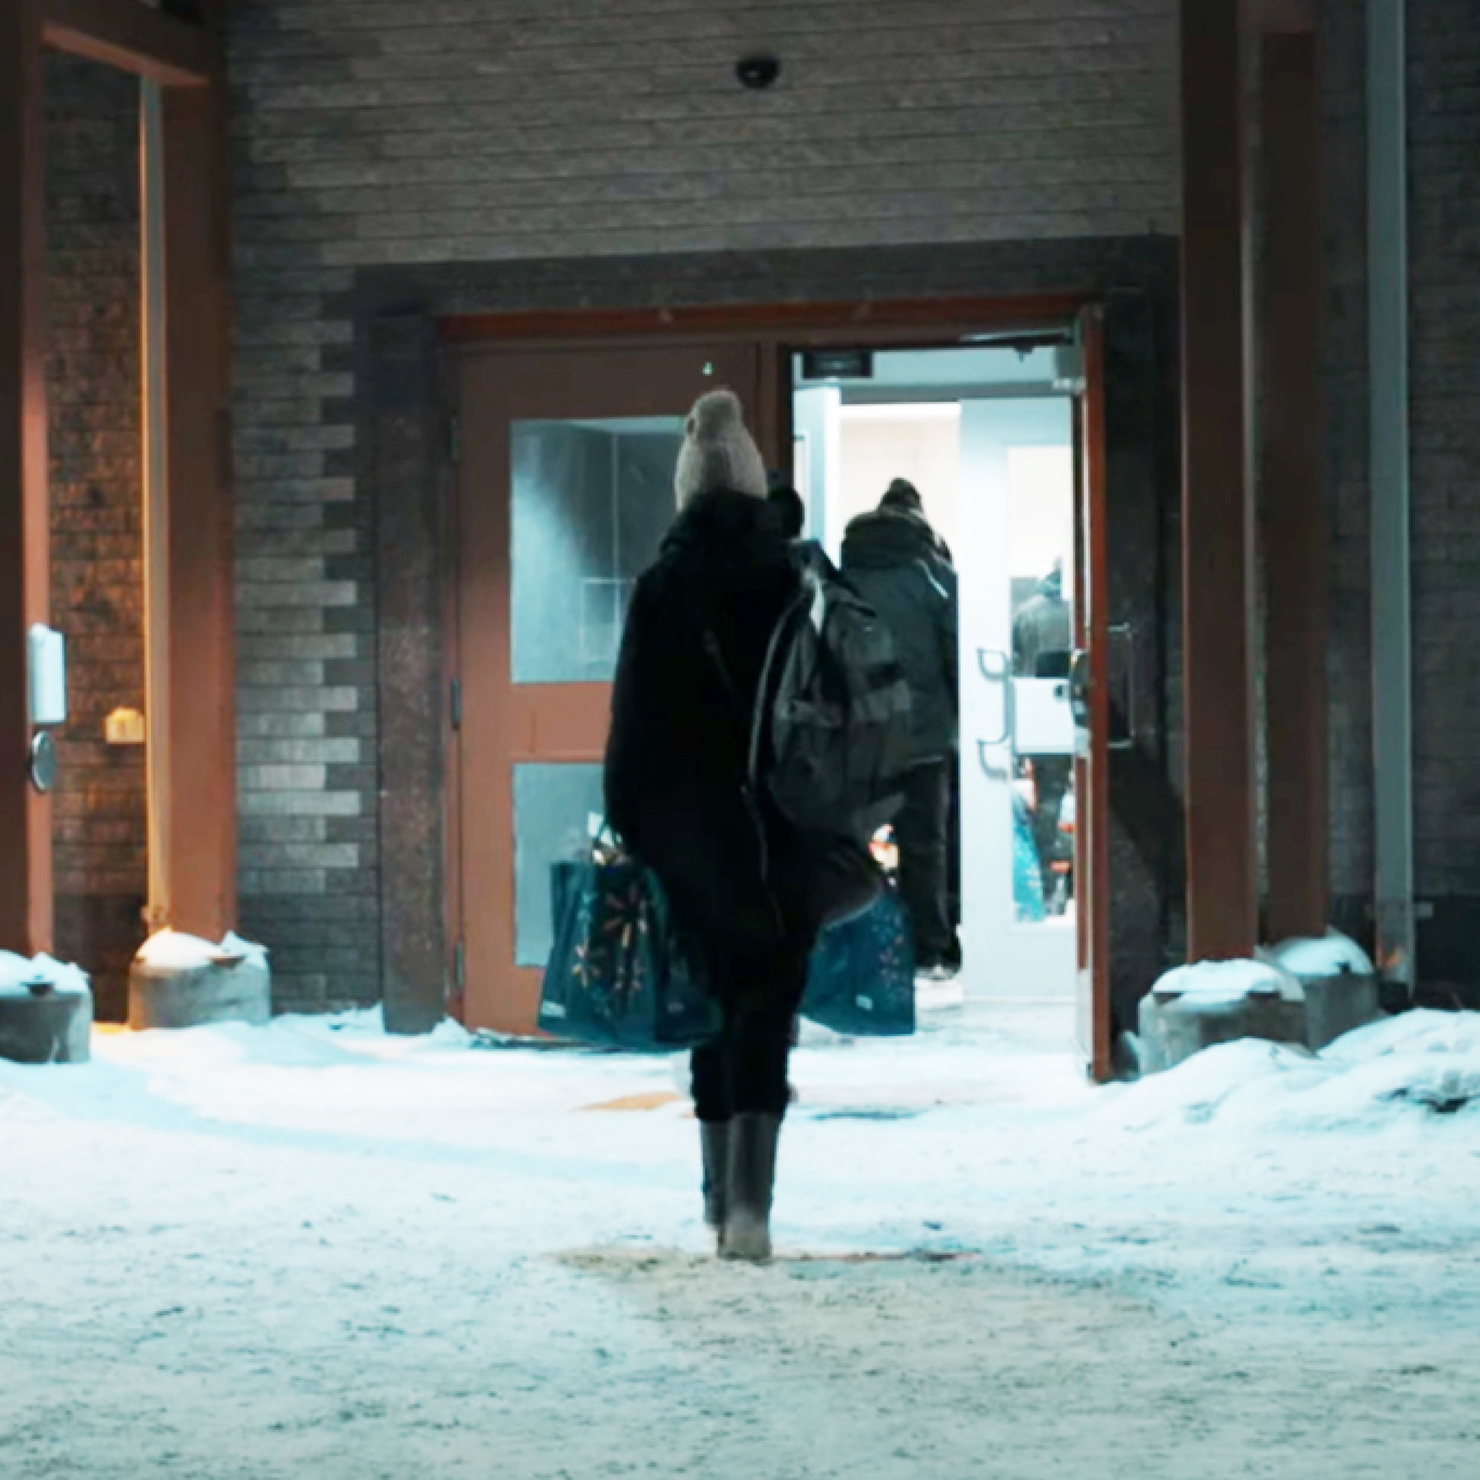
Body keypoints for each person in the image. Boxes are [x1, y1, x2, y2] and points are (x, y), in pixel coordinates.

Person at [605, 390, 834, 1263]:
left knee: (706, 1003)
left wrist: (632, 824)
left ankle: (713, 1201)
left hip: (687, 830)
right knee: (767, 1008)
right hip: (784, 825)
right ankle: (751, 1210)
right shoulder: (795, 581)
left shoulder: (660, 588)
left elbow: (632, 724)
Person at [840, 479, 959, 977]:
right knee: (924, 846)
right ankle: (929, 948)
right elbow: (955, 650)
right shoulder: (934, 574)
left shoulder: (843, 574)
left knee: (849, 843)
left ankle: (857, 944)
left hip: (857, 735)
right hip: (923, 735)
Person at [1012, 564, 1074, 905]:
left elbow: (1016, 665)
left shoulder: (1027, 613)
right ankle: (1079, 882)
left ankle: (1044, 880)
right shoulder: (1081, 609)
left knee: (1048, 800)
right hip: (1080, 710)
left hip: (1040, 717)